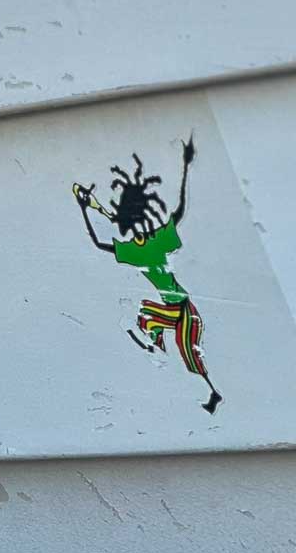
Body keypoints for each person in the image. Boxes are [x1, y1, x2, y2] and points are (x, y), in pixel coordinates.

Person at [73, 137, 220, 413]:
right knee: (146, 318)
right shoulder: (137, 249)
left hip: (183, 306)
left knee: (189, 350)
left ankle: (210, 391)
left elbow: (178, 212)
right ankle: (160, 356)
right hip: (171, 308)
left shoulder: (155, 241)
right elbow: (100, 243)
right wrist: (85, 211)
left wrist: (185, 167)